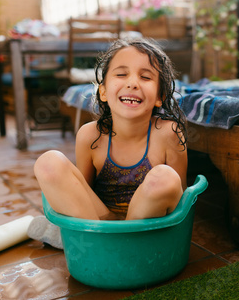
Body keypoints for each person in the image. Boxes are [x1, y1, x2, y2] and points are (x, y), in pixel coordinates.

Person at [28, 38, 188, 248]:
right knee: (48, 162)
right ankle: (106, 243)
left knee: (166, 178)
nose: (132, 83)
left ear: (160, 97)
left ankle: (94, 243)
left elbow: (181, 199)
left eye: (145, 77)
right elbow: (81, 193)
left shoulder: (169, 134)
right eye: (121, 74)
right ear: (103, 92)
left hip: (147, 227)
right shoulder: (90, 136)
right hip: (100, 221)